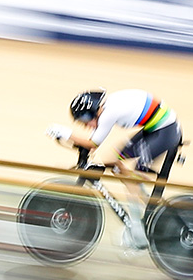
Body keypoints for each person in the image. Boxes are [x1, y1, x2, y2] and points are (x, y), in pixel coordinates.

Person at [48, 89, 182, 250]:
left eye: (84, 119)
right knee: (113, 162)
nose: (85, 125)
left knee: (132, 174)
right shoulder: (106, 107)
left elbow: (92, 144)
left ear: (94, 111)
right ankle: (146, 203)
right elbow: (90, 145)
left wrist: (66, 133)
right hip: (156, 129)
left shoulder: (108, 113)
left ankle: (137, 228)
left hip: (165, 131)